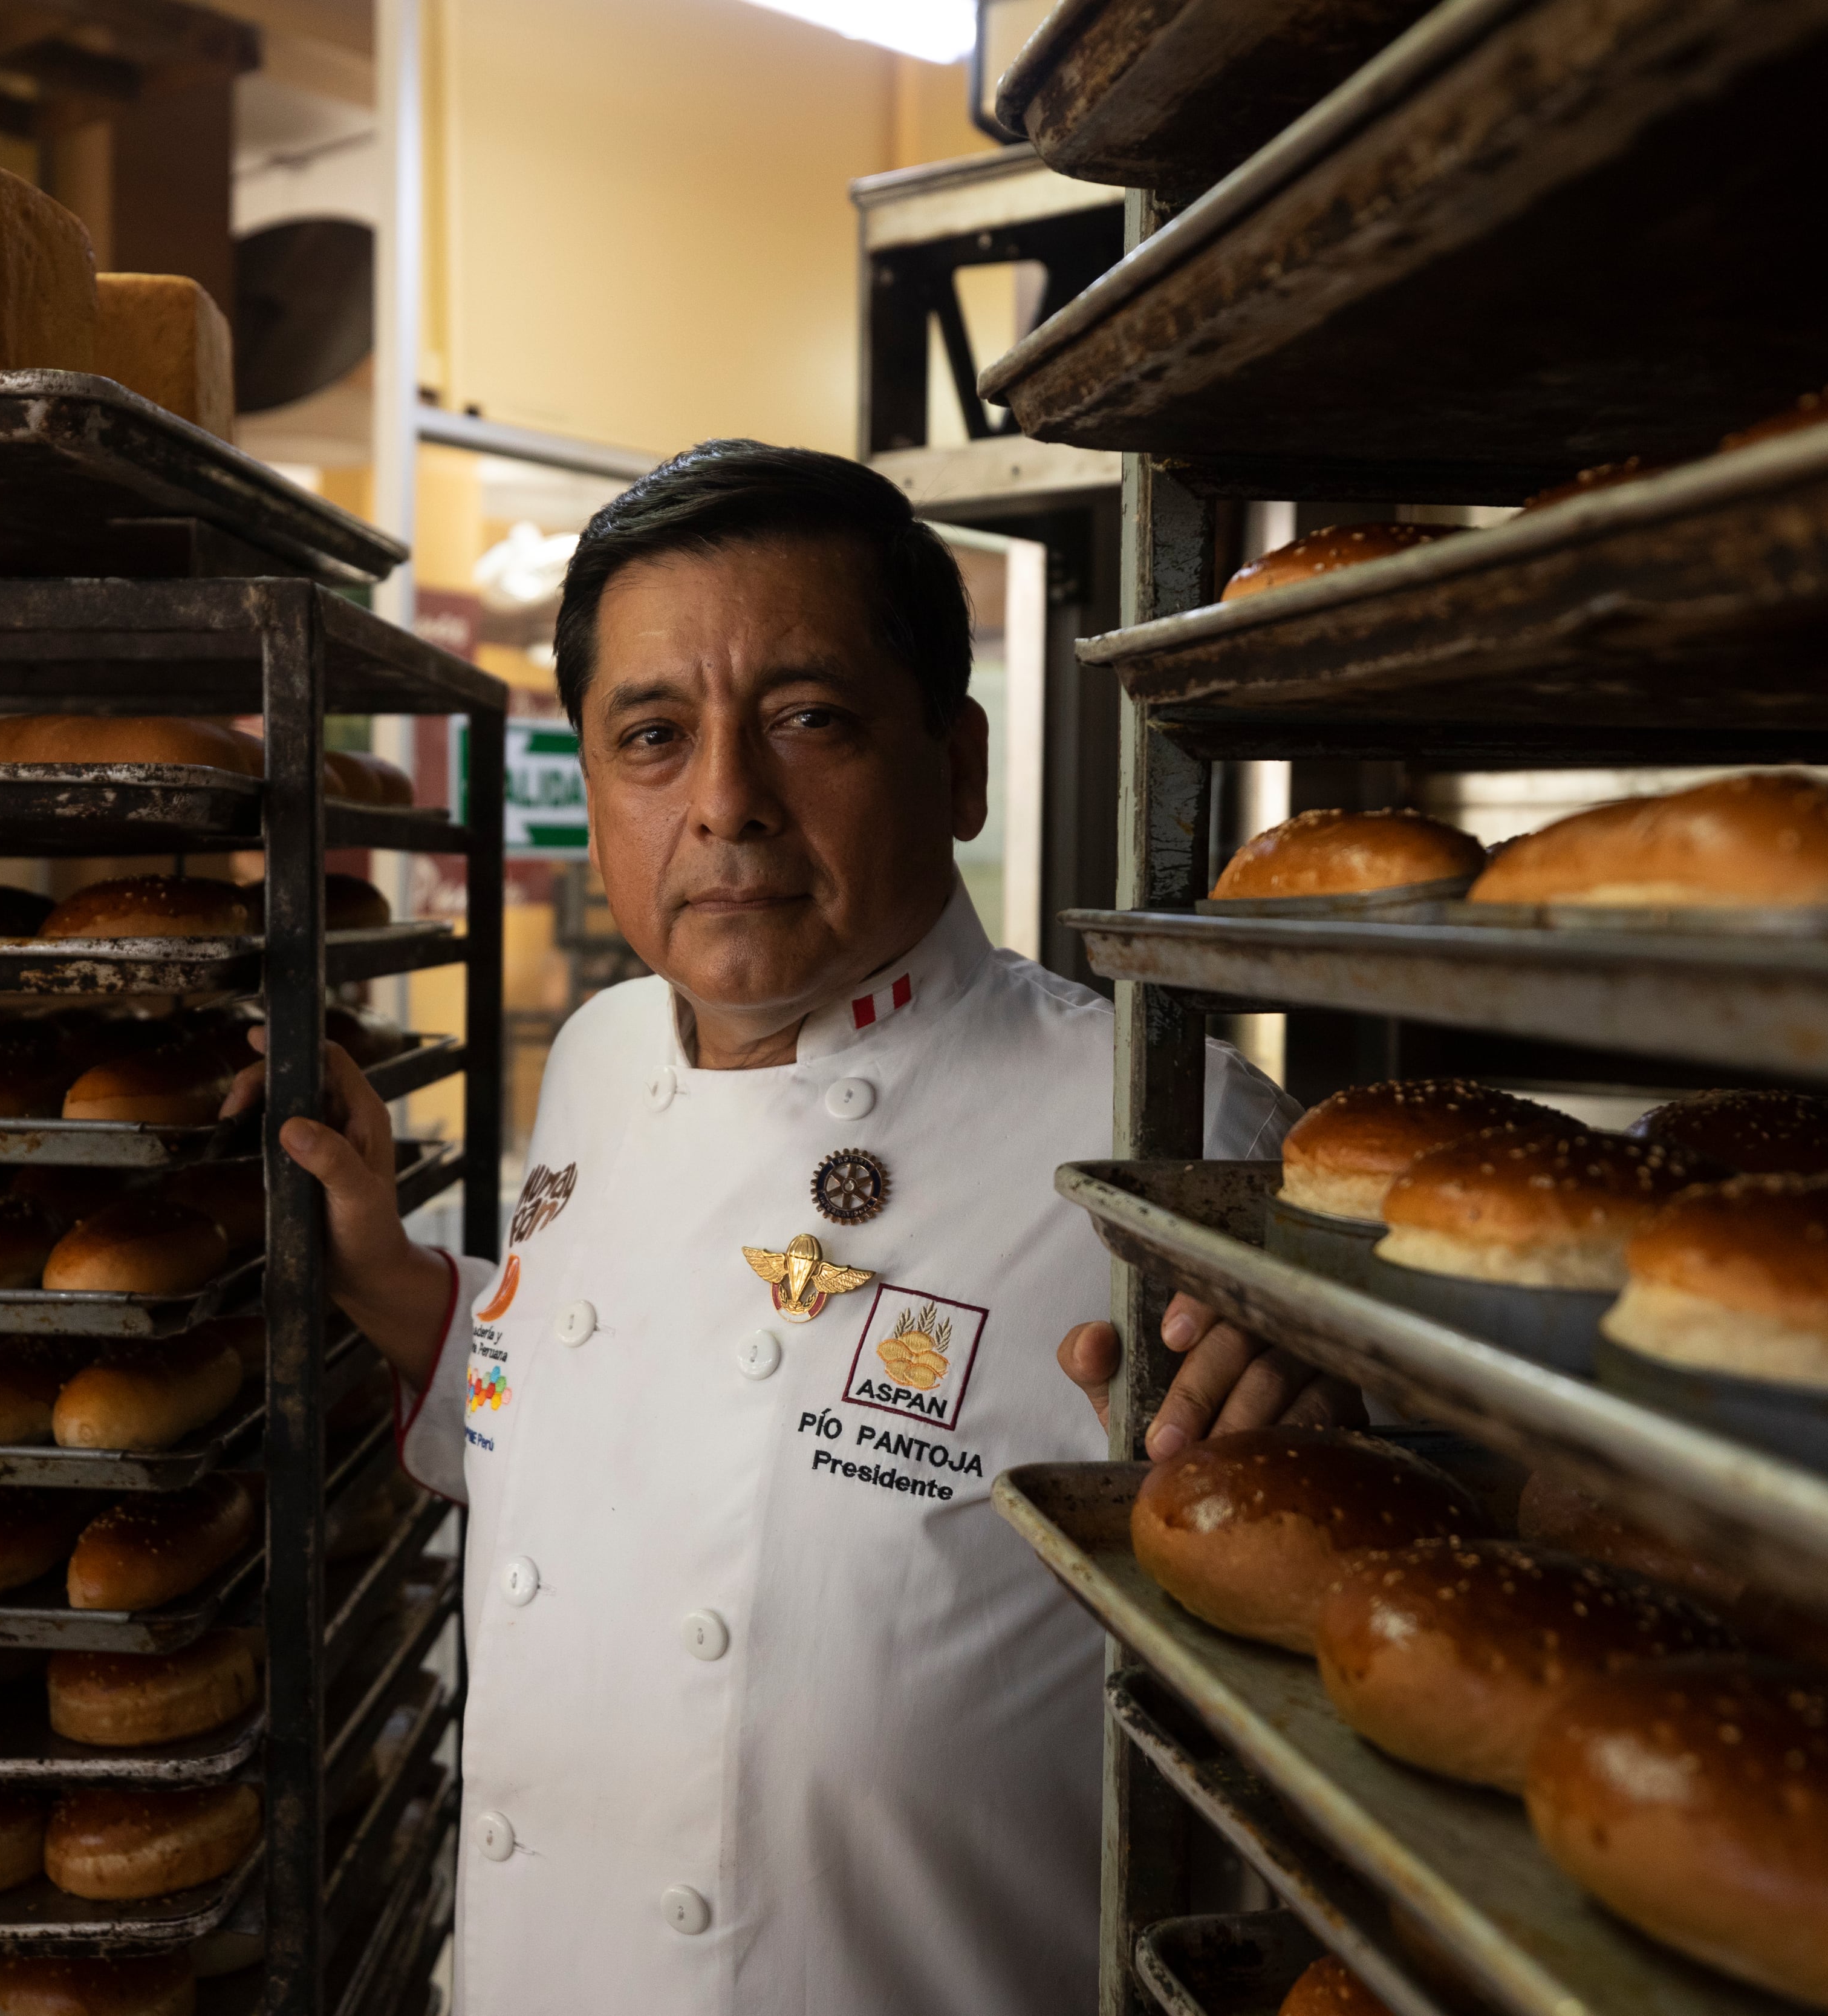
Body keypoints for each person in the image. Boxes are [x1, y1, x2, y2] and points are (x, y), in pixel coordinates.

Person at [271, 440, 1341, 2011]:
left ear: (959, 765)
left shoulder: (1160, 1134)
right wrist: (403, 1290)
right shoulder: (602, 1058)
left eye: (807, 719)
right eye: (654, 735)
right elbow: (577, 1426)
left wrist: (1332, 1426)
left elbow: (1347, 1596)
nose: (725, 804)